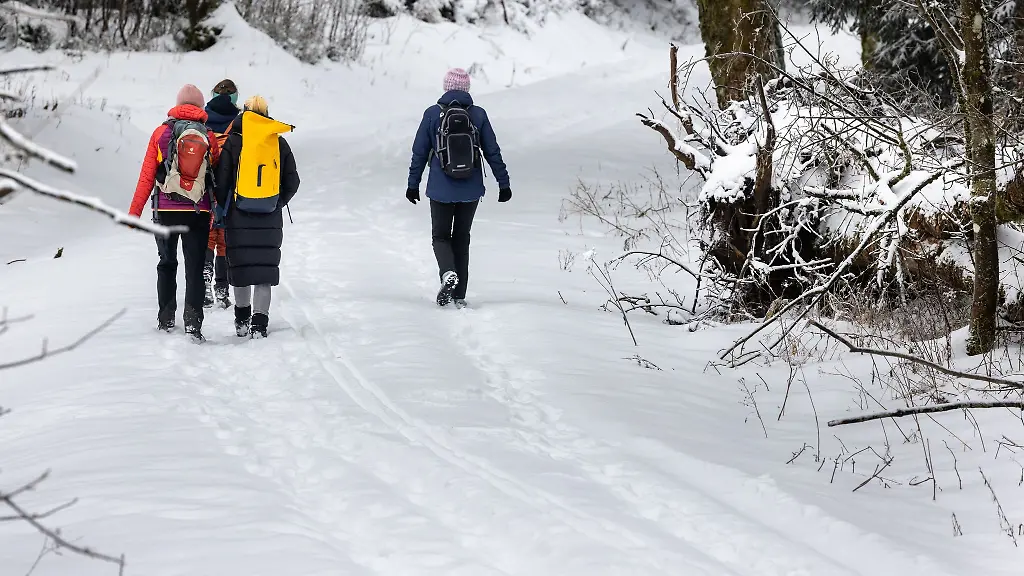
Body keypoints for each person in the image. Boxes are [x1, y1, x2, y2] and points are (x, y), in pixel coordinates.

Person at [407, 67, 511, 308]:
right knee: (461, 238)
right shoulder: (479, 115)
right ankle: (459, 295)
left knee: (440, 237)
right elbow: (492, 151)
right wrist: (503, 183)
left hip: (440, 189)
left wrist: (413, 184)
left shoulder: (432, 114)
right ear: (467, 88)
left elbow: (419, 153)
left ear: (446, 87)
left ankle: (447, 273)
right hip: (471, 189)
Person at [129, 83, 222, 341]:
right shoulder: (209, 136)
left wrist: (134, 213)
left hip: (166, 210)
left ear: (177, 105)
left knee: (167, 263)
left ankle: (166, 318)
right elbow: (213, 175)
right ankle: (193, 323)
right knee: (194, 267)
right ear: (201, 107)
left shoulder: (160, 133)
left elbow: (147, 175)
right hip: (197, 211)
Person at [213, 95, 300, 338]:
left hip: (238, 216)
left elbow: (221, 183)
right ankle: (260, 323)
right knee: (264, 269)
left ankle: (242, 319)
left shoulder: (233, 142)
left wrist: (227, 207)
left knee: (241, 267)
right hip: (270, 217)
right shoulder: (278, 142)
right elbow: (293, 181)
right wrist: (277, 203)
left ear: (244, 113)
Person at [202, 79, 241, 309]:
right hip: (231, 187)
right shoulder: (239, 121)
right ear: (235, 97)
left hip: (206, 185)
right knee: (225, 240)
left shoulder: (202, 118)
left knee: (207, 236)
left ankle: (204, 283)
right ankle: (222, 289)